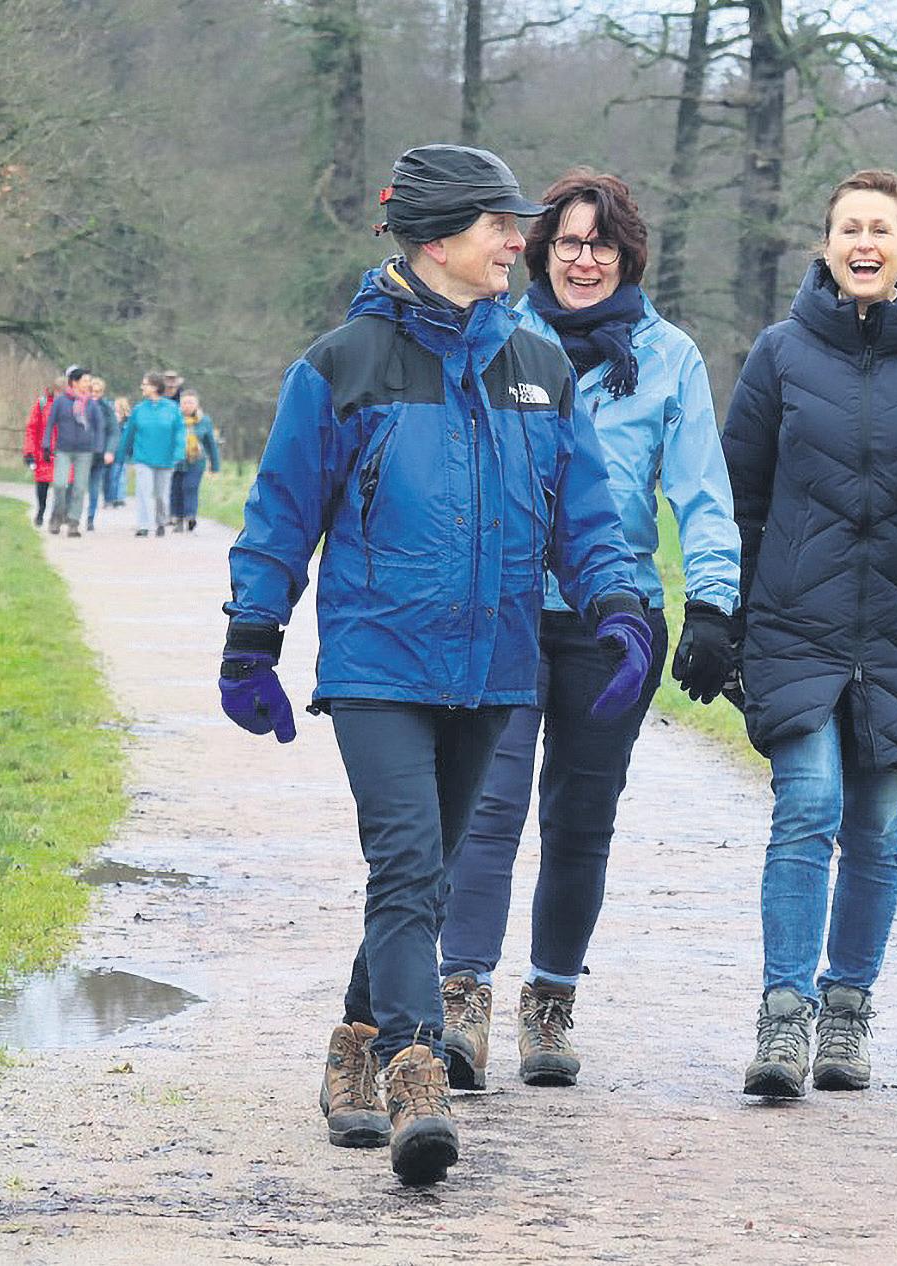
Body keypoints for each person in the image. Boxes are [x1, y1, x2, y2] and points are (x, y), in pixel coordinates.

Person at [221, 142, 649, 1187]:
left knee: (426, 874)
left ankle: (351, 1047)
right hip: (379, 660)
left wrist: (617, 605)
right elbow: (282, 514)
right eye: (498, 226)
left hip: (494, 663)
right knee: (410, 863)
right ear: (435, 240)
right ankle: (414, 1075)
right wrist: (252, 636)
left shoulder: (540, 369)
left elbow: (584, 514)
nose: (516, 242)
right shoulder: (341, 366)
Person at [436, 168, 740, 1093]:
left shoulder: (669, 357)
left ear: (627, 255)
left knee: (581, 816)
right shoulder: (494, 336)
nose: (583, 260)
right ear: (540, 251)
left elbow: (702, 492)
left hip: (616, 622)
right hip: (505, 608)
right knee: (488, 807)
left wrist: (714, 604)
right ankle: (462, 997)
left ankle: (551, 1001)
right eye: (567, 242)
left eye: (600, 245)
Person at [720, 169, 897, 1098]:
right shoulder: (780, 353)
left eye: (881, 229)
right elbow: (738, 497)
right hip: (796, 620)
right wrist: (722, 617)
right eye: (848, 229)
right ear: (825, 248)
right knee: (809, 805)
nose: (864, 243)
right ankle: (784, 1016)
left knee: (877, 828)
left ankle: (847, 1013)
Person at [120, 372, 184, 537]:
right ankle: (143, 525)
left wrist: (178, 452)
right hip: (143, 458)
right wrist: (120, 455)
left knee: (161, 496)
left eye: (145, 384)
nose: (142, 387)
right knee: (143, 491)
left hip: (166, 458)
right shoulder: (139, 410)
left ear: (155, 387)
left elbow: (179, 431)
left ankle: (161, 522)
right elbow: (129, 434)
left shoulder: (172, 409)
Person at [48, 366, 105, 537]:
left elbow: (99, 427)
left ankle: (73, 522)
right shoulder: (61, 402)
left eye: (89, 381)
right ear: (74, 382)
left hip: (84, 451)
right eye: (85, 381)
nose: (88, 384)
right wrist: (46, 445)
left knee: (79, 488)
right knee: (60, 484)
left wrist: (99, 449)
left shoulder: (92, 405)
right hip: (63, 449)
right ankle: (58, 515)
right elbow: (50, 423)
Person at [170, 390, 222, 532]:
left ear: (196, 404)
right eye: (184, 403)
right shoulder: (174, 419)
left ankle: (190, 516)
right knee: (176, 489)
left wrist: (215, 466)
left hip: (196, 460)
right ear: (180, 404)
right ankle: (177, 518)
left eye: (190, 402)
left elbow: (211, 444)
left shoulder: (204, 421)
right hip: (176, 461)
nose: (187, 406)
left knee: (190, 487)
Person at [23, 376, 61, 526]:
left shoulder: (70, 405)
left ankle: (56, 515)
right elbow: (32, 429)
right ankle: (41, 510)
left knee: (61, 486)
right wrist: (29, 452)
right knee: (42, 485)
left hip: (61, 453)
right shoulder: (42, 404)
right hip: (43, 453)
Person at [83, 376, 119, 532]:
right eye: (92, 391)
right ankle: (72, 514)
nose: (94, 394)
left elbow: (113, 432)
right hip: (82, 452)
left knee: (94, 487)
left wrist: (109, 451)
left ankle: (90, 517)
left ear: (102, 392)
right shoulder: (80, 405)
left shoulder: (107, 409)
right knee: (76, 486)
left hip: (99, 454)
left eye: (97, 392)